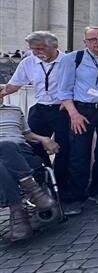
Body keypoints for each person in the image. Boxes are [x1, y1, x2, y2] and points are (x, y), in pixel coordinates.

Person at [56, 26, 98, 215]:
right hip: (81, 110)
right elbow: (64, 90)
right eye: (93, 39)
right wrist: (73, 114)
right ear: (85, 41)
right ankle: (76, 196)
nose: (97, 42)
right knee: (79, 154)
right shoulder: (72, 59)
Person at [0, 31, 70, 187]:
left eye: (40, 48)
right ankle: (44, 182)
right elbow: (14, 85)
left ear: (55, 46)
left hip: (62, 109)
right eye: (33, 49)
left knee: (65, 148)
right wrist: (3, 91)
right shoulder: (28, 62)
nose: (37, 53)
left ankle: (62, 184)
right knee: (32, 145)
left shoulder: (68, 61)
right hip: (40, 108)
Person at [0, 103, 58, 241]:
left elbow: (27, 134)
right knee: (4, 151)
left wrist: (44, 139)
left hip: (20, 152)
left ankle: (18, 216)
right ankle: (35, 192)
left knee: (7, 150)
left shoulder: (14, 109)